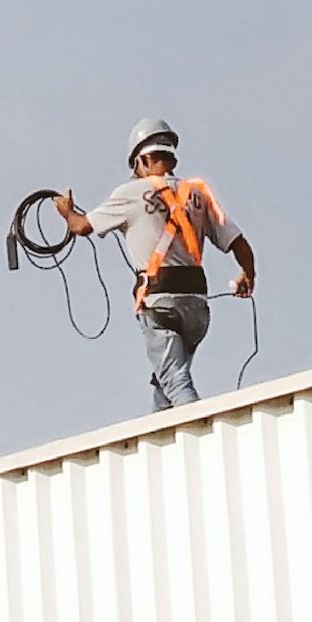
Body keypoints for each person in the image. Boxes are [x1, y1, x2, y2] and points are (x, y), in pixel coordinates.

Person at [53, 118, 255, 410]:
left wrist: (66, 211)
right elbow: (239, 243)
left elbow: (81, 226)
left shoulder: (130, 193)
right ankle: (163, 447)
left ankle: (203, 437)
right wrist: (248, 275)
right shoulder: (197, 194)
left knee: (175, 381)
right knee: (166, 385)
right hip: (197, 306)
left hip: (160, 301)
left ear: (143, 159)